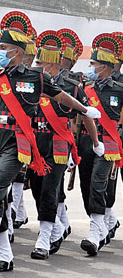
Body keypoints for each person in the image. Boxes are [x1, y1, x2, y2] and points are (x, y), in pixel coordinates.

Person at [0, 12, 100, 272]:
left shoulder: (35, 77)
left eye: (3, 48)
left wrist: (84, 109)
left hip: (17, 141)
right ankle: (4, 254)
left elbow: (60, 97)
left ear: (16, 51)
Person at [29, 31, 97, 259]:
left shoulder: (71, 85)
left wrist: (95, 141)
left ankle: (43, 239)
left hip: (58, 143)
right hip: (36, 141)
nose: (36, 65)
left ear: (50, 63)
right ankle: (57, 228)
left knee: (49, 190)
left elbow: (84, 114)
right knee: (38, 190)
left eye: (39, 62)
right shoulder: (32, 80)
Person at [76, 35, 123, 256]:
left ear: (104, 67)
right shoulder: (85, 88)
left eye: (93, 64)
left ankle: (95, 234)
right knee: (86, 184)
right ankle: (104, 223)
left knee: (98, 183)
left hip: (110, 143)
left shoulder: (119, 89)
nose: (90, 67)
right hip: (86, 140)